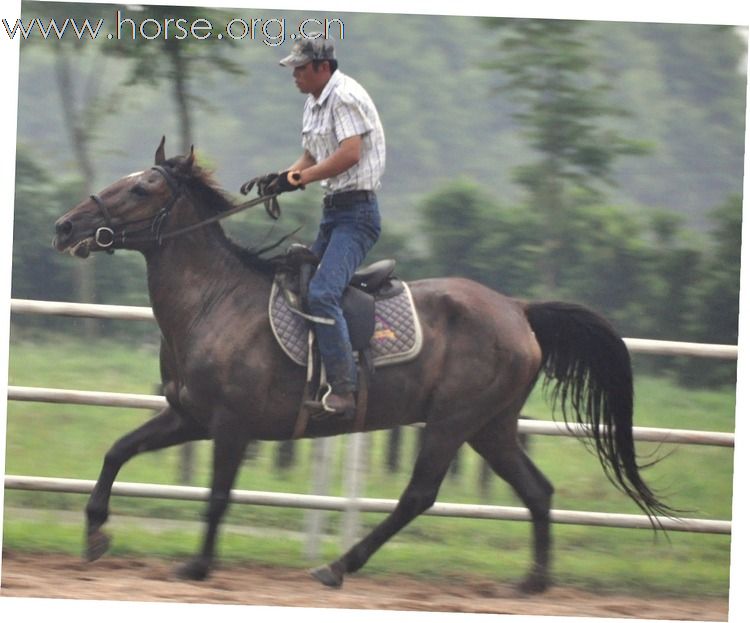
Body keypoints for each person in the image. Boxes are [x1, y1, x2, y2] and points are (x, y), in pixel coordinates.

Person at [244, 38, 385, 418]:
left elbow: (349, 153)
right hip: (334, 213)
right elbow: (312, 155)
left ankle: (344, 388)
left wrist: (300, 178)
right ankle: (308, 374)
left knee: (322, 293)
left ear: (323, 67)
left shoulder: (345, 96)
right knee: (296, 281)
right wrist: (285, 176)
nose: (294, 75)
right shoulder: (313, 102)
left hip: (357, 217)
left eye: (300, 68)